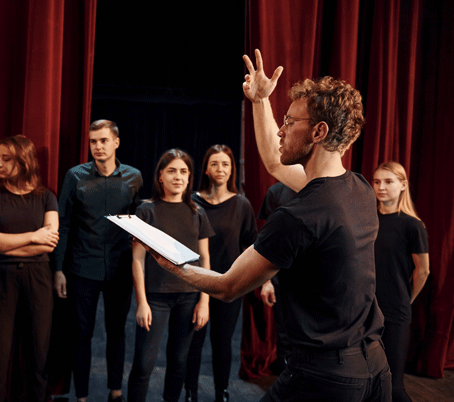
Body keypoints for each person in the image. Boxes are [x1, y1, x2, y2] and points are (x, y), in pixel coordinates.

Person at [142, 49, 391, 402]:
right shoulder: (360, 189)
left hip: (324, 378)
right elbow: (276, 163)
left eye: (289, 122)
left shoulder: (297, 216)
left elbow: (228, 286)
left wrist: (173, 265)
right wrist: (261, 101)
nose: (281, 130)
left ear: (319, 131)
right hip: (373, 366)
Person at [54, 119, 142, 402]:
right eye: (93, 141)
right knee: (81, 333)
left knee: (117, 332)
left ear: (116, 142)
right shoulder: (74, 176)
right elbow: (63, 225)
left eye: (103, 141)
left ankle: (115, 392)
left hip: (119, 268)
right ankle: (81, 396)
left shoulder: (134, 177)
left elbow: (141, 226)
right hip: (82, 267)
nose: (98, 147)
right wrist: (58, 269)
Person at [0, 134, 59, 402]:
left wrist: (6, 243)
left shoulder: (47, 197)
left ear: (23, 162)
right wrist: (33, 235)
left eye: (6, 159)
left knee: (39, 358)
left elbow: (49, 244)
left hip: (39, 278)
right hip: (1, 278)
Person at [128, 149, 214, 402]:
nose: (178, 176)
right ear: (160, 177)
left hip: (189, 297)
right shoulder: (146, 212)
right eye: (172, 171)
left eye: (184, 171)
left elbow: (205, 259)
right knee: (144, 363)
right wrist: (141, 302)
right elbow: (136, 259)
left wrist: (205, 301)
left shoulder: (198, 212)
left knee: (178, 362)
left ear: (190, 178)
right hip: (155, 298)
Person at [184, 145, 258, 402]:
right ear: (206, 168)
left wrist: (265, 281)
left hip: (229, 284)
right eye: (215, 163)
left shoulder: (242, 204)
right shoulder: (193, 202)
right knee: (193, 342)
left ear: (232, 169)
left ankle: (221, 393)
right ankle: (190, 392)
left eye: (225, 164)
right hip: (196, 284)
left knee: (222, 342)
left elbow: (252, 245)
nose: (220, 169)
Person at [372, 161, 429, 402]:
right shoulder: (368, 220)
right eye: (376, 181)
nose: (381, 187)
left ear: (403, 185)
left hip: (395, 312)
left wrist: (406, 299)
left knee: (394, 387)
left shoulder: (412, 225)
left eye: (388, 181)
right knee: (367, 380)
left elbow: (423, 271)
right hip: (363, 311)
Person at [257, 182, 296, 373]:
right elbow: (267, 239)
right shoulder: (276, 191)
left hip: (316, 278)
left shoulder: (320, 185)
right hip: (282, 276)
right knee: (284, 336)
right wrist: (266, 281)